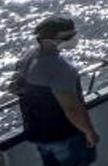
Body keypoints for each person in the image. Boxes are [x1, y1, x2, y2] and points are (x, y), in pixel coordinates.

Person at [6, 16, 99, 166]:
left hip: (38, 133)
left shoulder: (27, 58)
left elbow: (15, 88)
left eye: (74, 34)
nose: (73, 39)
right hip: (63, 135)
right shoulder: (60, 68)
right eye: (67, 36)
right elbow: (72, 109)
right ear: (48, 39)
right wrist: (89, 132)